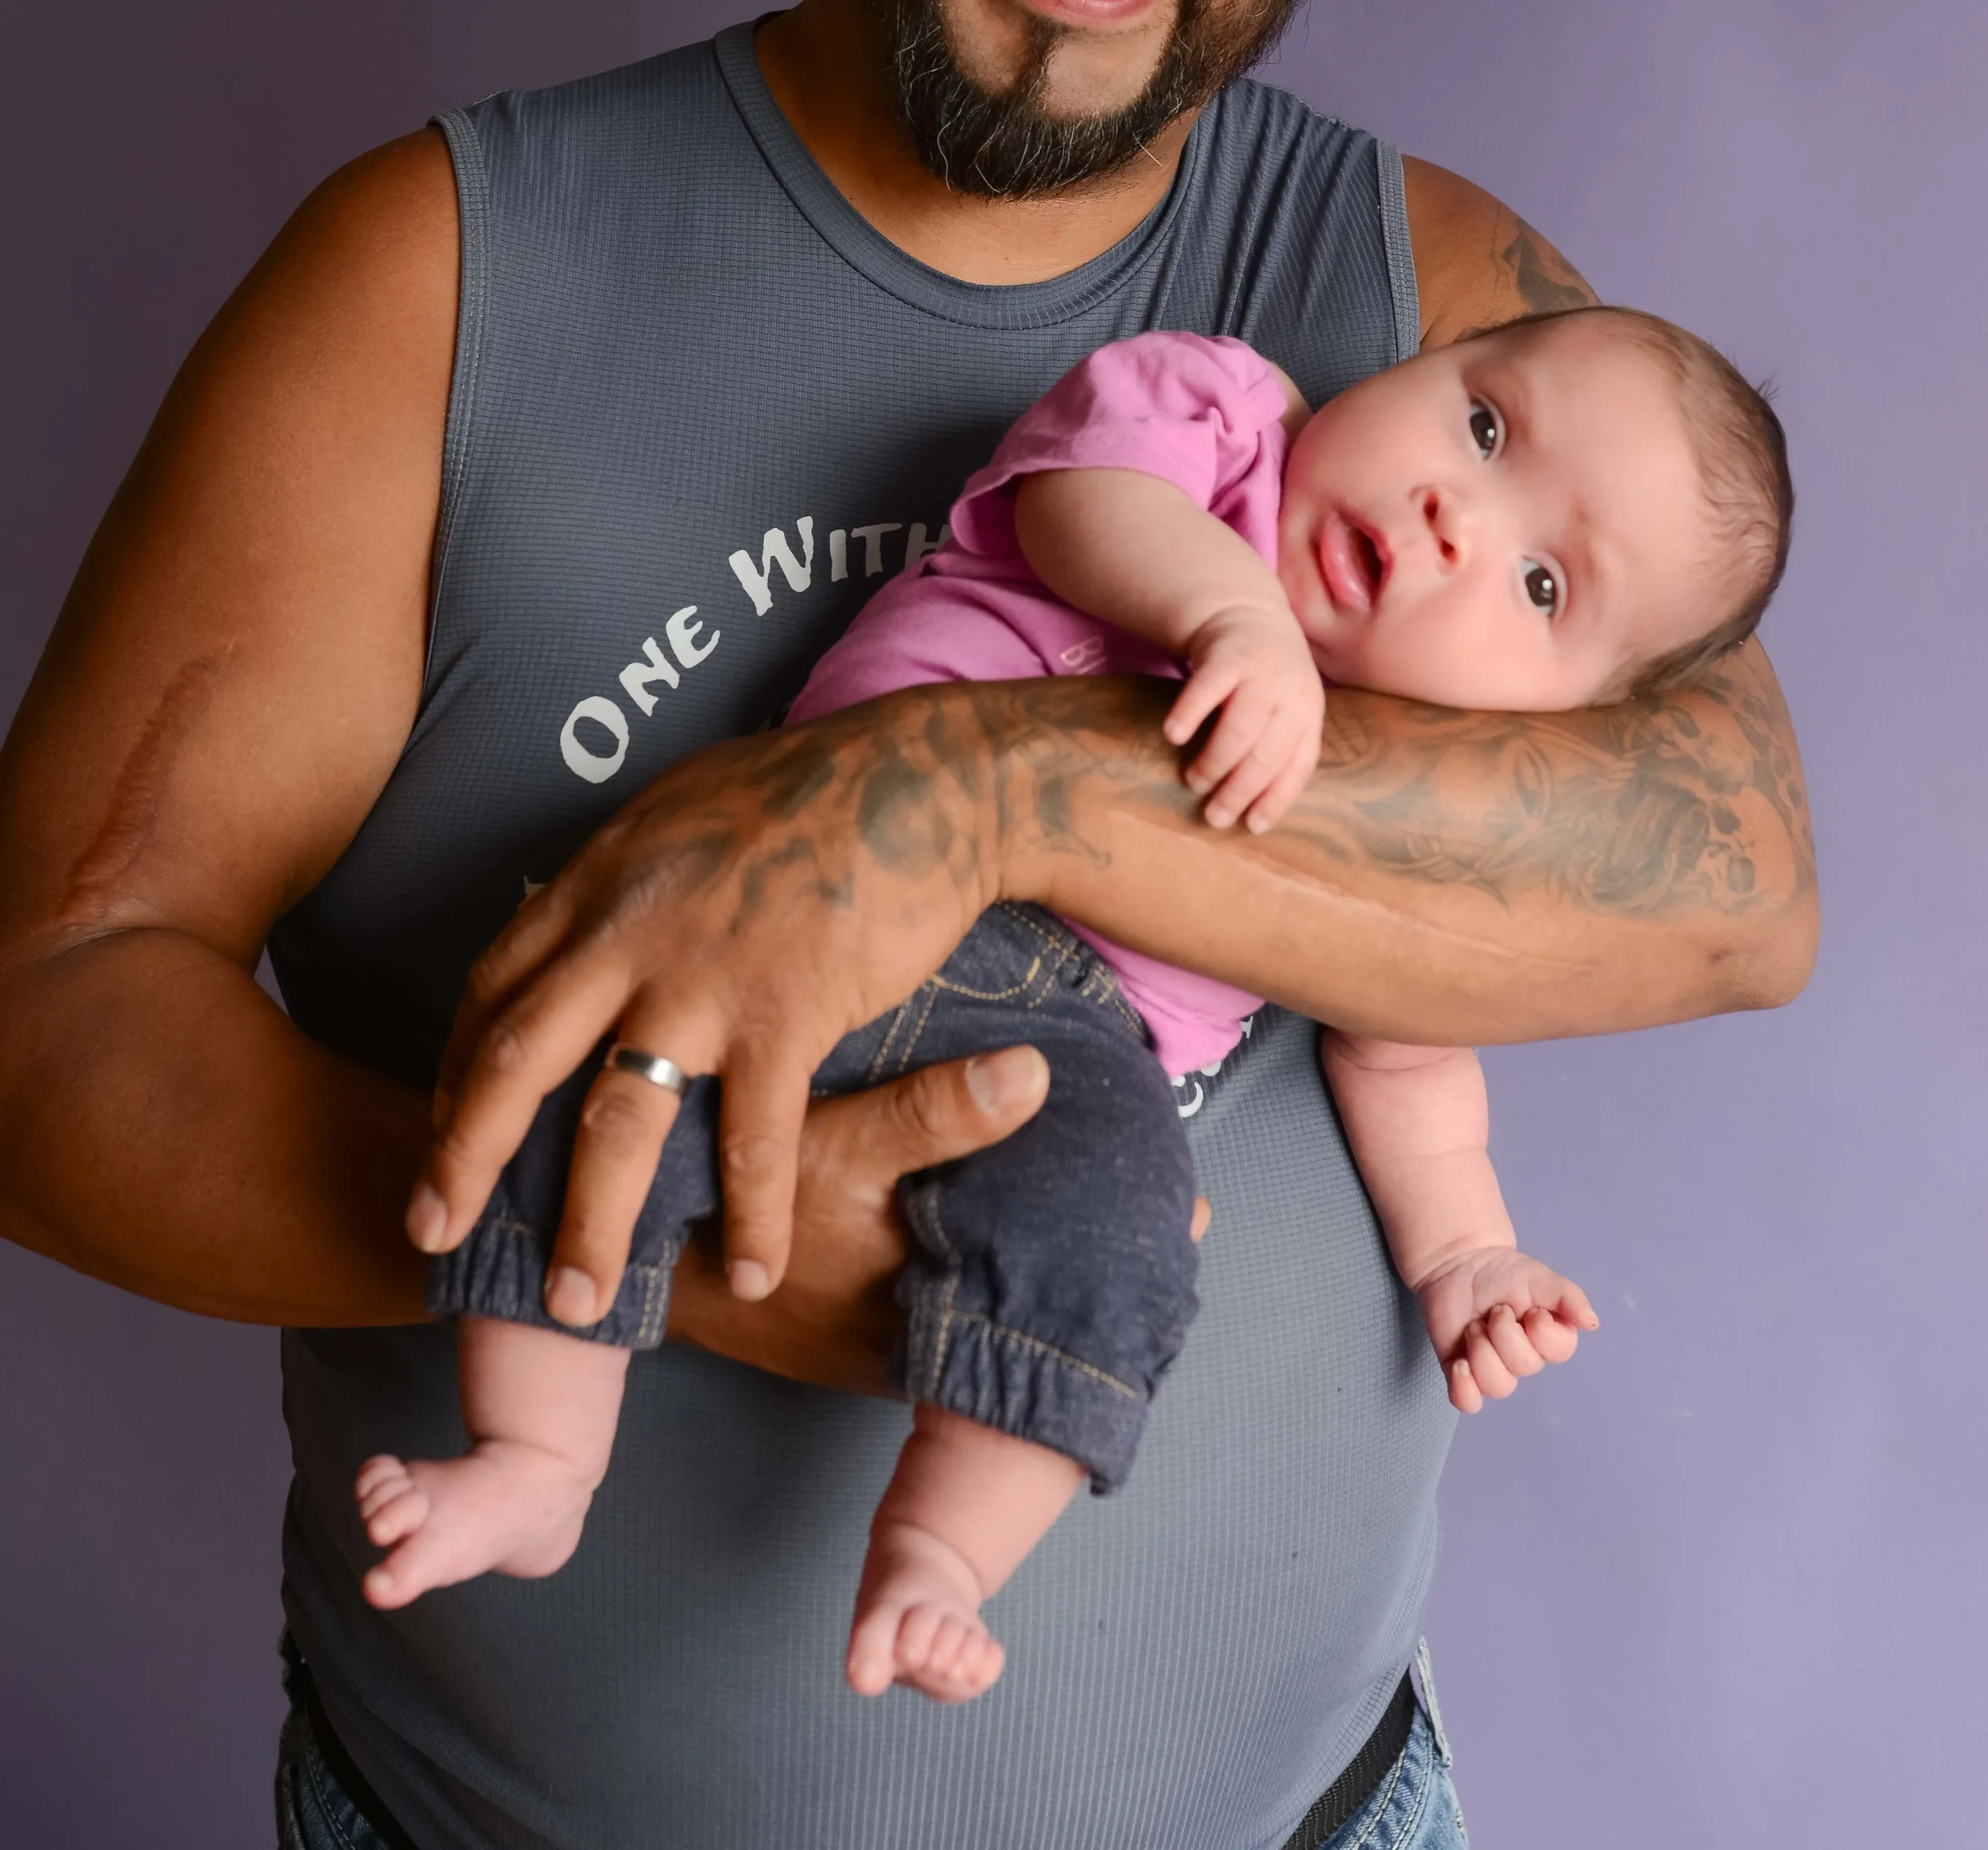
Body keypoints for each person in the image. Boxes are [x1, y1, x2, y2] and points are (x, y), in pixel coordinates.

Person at [0, 0, 1814, 1850]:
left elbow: (1734, 883)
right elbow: (51, 1026)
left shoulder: (1421, 291)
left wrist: (973, 792)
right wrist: (657, 1234)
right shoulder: (438, 275)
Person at [356, 309, 1788, 1711]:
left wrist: (1469, 1257)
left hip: (1072, 1046)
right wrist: (1230, 614)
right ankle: (540, 1461)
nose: (1455, 514)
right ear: (1421, 361)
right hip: (801, 922)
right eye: (1482, 423)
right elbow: (1077, 504)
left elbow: (1408, 1058)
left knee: (1126, 1235)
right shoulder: (1225, 422)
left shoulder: (1399, 794)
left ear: (1552, 724)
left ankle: (939, 1556)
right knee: (598, 1063)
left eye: (1543, 587)